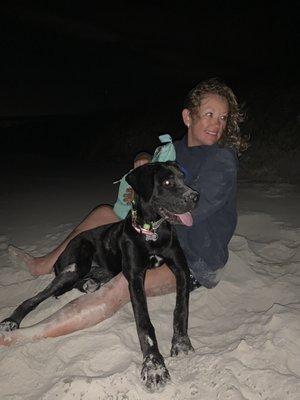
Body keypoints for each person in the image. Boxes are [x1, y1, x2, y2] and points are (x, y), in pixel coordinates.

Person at [1, 78, 248, 346]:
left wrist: (142, 215)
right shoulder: (172, 150)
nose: (217, 125)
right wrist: (142, 160)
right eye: (209, 115)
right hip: (158, 235)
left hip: (195, 258)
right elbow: (148, 177)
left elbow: (192, 212)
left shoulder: (221, 160)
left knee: (122, 284)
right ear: (188, 117)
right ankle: (43, 265)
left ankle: (29, 334)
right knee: (103, 213)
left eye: (223, 118)